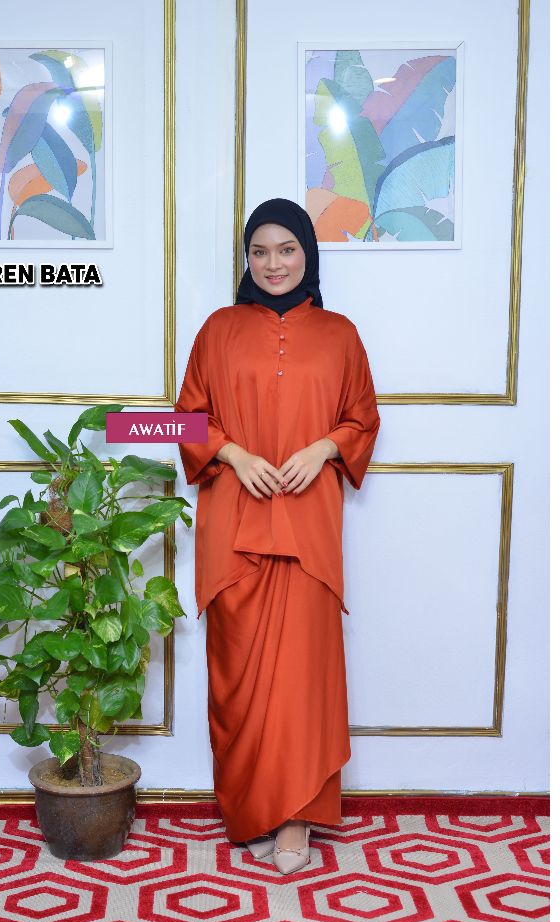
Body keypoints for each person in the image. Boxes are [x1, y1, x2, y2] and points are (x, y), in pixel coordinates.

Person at [174, 197, 380, 874]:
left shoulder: (341, 335)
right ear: (246, 259)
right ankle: (252, 812)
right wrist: (234, 455)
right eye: (259, 251)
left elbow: (363, 419)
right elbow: (185, 418)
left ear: (306, 255)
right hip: (236, 527)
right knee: (236, 674)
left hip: (307, 528)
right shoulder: (218, 330)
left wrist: (324, 447)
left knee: (303, 679)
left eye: (286, 250)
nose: (273, 264)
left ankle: (296, 821)